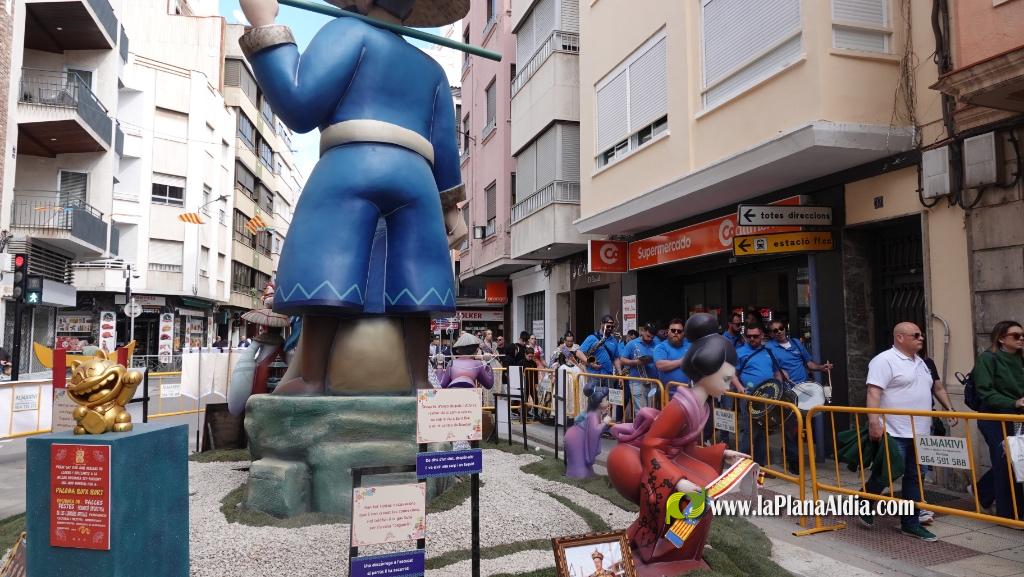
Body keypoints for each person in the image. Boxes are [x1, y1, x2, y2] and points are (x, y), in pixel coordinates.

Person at [606, 316, 751, 572]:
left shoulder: (700, 404)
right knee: (696, 496)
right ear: (708, 373)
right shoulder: (681, 406)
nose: (729, 386)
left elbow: (687, 448)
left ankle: (682, 550)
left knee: (705, 489)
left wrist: (721, 453)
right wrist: (677, 480)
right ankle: (661, 550)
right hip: (652, 463)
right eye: (726, 379)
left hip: (672, 459)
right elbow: (652, 445)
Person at [861, 322, 946, 542]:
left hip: (921, 432)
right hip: (894, 429)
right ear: (900, 337)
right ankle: (865, 499)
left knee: (916, 477)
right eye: (916, 335)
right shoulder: (884, 360)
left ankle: (910, 523)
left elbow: (933, 389)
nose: (921, 338)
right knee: (887, 473)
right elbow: (873, 391)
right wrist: (874, 421)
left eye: (921, 335)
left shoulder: (922, 363)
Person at [972, 320, 1024, 522]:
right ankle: (1008, 515)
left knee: (1015, 460)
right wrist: (1015, 402)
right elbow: (985, 391)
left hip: (1017, 417)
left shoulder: (1020, 359)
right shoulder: (988, 359)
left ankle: (982, 492)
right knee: (1005, 463)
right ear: (1002, 338)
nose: (1021, 339)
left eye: (1022, 335)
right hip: (994, 418)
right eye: (1015, 336)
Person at [734, 324, 783, 465]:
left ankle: (761, 465)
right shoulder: (740, 352)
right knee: (750, 431)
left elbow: (777, 372)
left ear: (761, 336)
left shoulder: (768, 351)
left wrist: (779, 389)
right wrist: (740, 388)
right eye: (749, 336)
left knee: (762, 431)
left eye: (755, 336)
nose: (752, 339)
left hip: (767, 397)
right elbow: (732, 374)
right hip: (749, 397)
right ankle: (742, 465)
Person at [579, 315, 623, 430]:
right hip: (595, 375)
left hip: (608, 375)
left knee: (609, 403)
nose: (610, 328)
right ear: (601, 324)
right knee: (595, 401)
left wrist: (620, 374)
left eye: (612, 326)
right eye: (608, 326)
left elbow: (616, 358)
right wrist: (589, 363)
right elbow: (579, 353)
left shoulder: (613, 340)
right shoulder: (592, 338)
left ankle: (605, 427)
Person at [766, 320, 832, 383]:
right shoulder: (769, 347)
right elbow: (766, 368)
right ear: (771, 334)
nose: (779, 331)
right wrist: (778, 372)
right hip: (787, 389)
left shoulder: (796, 342)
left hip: (804, 385)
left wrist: (821, 367)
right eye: (775, 331)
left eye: (781, 328)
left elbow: (809, 363)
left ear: (785, 329)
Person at [621, 322, 659, 415]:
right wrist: (636, 362)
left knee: (651, 410)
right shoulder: (632, 344)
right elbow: (622, 360)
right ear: (643, 331)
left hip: (653, 381)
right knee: (641, 411)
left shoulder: (657, 343)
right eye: (648, 336)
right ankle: (642, 429)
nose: (650, 339)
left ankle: (649, 429)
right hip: (637, 381)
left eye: (652, 337)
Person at [654, 318, 691, 395]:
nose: (676, 333)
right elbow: (660, 365)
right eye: (673, 330)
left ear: (683, 333)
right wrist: (681, 361)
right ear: (668, 331)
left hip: (688, 393)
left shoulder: (690, 346)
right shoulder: (661, 347)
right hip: (668, 394)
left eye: (679, 331)